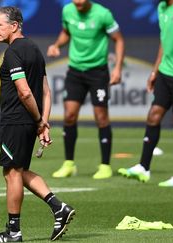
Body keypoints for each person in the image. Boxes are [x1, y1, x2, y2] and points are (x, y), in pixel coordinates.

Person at [0, 7, 75, 242]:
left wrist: (38, 122)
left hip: (15, 121)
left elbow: (25, 92)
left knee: (11, 173)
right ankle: (59, 208)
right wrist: (43, 123)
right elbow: (46, 92)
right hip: (28, 122)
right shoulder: (34, 49)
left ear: (14, 26)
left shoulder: (13, 52)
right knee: (19, 172)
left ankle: (13, 233)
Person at [118, 0, 173, 187]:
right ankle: (143, 167)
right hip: (164, 73)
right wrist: (155, 72)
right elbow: (164, 42)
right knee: (154, 115)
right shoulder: (162, 7)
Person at [47, 0, 125, 179]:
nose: (78, 2)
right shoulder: (67, 10)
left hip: (98, 72)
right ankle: (69, 164)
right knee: (69, 115)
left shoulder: (103, 14)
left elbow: (118, 40)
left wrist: (118, 68)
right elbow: (66, 32)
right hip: (75, 71)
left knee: (101, 117)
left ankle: (105, 165)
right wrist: (57, 45)